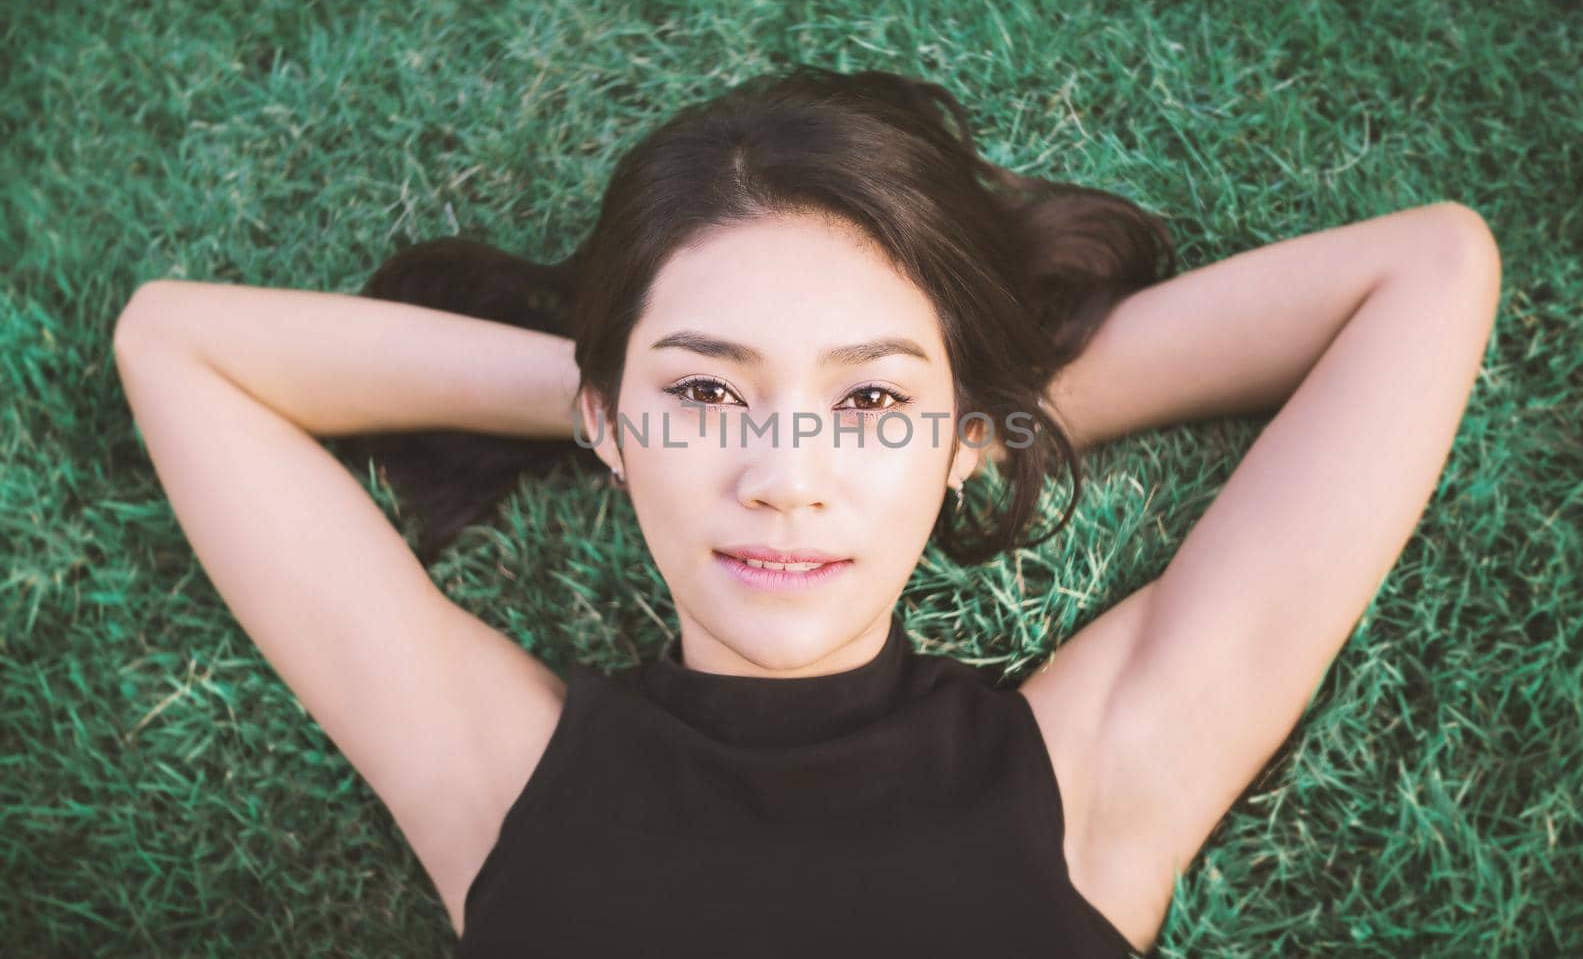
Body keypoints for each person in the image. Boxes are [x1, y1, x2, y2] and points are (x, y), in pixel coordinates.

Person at [111, 65, 1501, 957]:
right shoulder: (504, 781)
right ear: (609, 423)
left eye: (865, 410)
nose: (785, 474)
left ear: (963, 438)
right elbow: (175, 345)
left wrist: (967, 407)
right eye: (709, 403)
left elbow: (1427, 272)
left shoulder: (1088, 779)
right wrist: (628, 392)